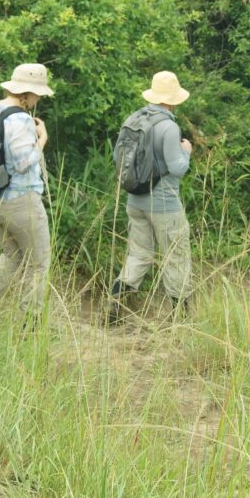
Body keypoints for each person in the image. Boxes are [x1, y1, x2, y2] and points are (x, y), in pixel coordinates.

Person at [109, 71, 193, 322]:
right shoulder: (168, 126)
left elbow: (118, 158)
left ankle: (115, 301)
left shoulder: (133, 119)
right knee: (176, 256)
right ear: (173, 100)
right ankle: (182, 318)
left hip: (135, 201)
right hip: (164, 204)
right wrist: (186, 151)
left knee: (139, 254)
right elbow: (178, 168)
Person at [0, 64, 53, 318]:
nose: (39, 99)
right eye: (37, 94)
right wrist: (41, 139)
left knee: (12, 254)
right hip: (21, 202)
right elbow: (22, 163)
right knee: (39, 263)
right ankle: (30, 321)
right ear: (26, 94)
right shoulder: (20, 119)